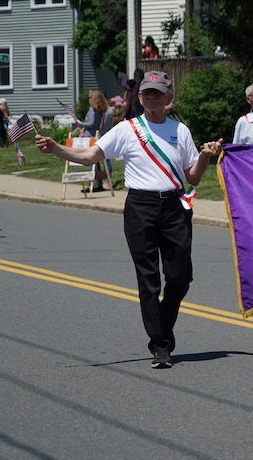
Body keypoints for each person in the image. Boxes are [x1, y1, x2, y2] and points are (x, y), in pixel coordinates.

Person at [35, 70, 223, 368]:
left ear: (169, 99)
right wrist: (57, 149)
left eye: (158, 92)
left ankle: (161, 326)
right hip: (141, 208)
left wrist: (204, 156)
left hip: (174, 208)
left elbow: (193, 178)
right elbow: (90, 157)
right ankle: (160, 345)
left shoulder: (180, 131)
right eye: (147, 91)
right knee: (149, 281)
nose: (151, 96)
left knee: (179, 278)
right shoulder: (127, 129)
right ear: (139, 97)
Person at [74, 90, 113, 192]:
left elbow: (90, 123)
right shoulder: (101, 110)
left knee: (90, 162)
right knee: (96, 162)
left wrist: (80, 123)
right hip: (95, 136)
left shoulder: (93, 109)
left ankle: (94, 185)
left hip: (89, 136)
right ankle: (98, 183)